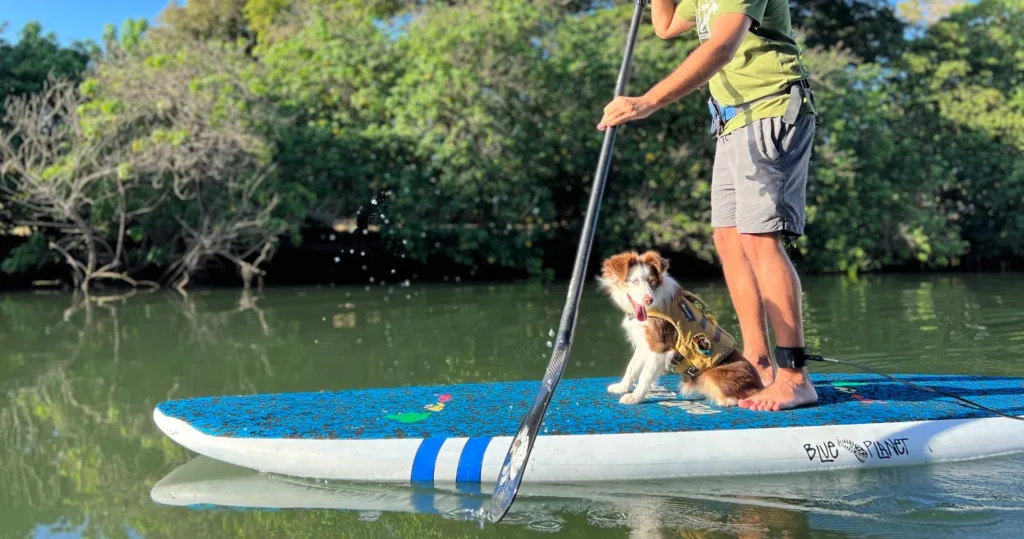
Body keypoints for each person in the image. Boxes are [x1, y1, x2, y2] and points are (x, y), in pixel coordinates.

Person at [596, 0, 818, 411]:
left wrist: (648, 101)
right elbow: (664, 26)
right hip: (730, 122)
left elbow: (721, 47)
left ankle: (793, 377)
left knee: (759, 239)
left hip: (770, 109)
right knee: (730, 240)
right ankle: (758, 360)